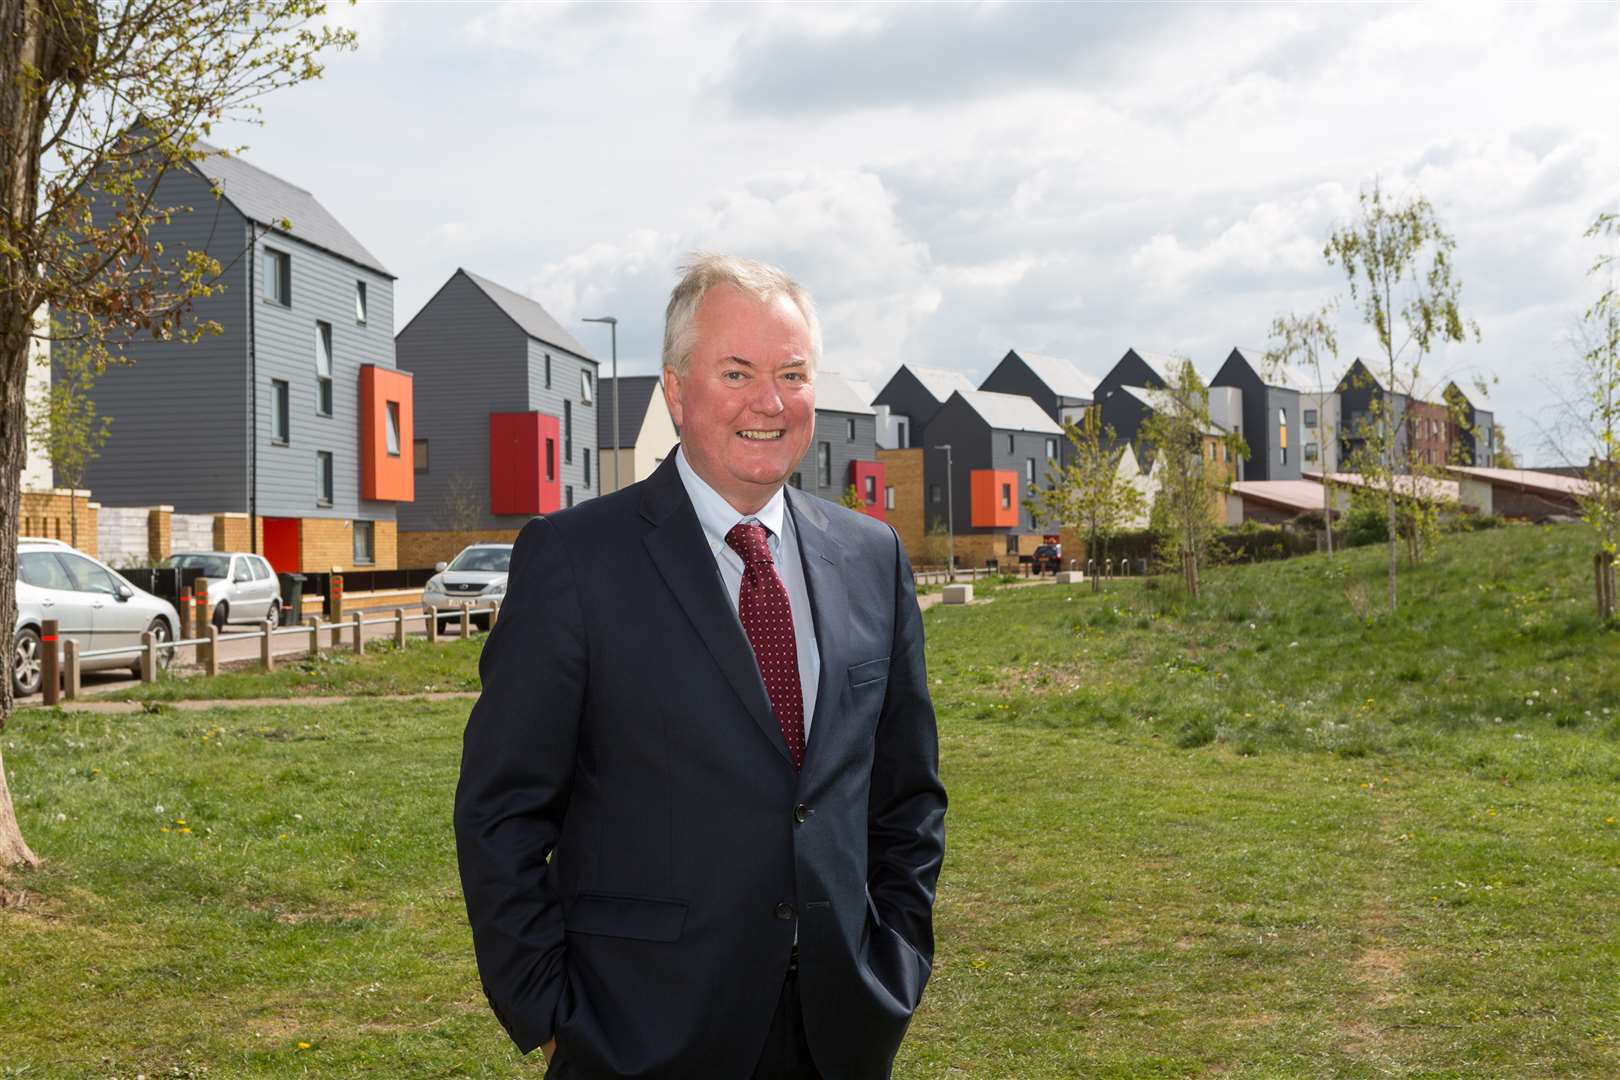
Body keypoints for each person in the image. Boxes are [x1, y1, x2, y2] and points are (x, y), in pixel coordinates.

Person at [454, 254, 947, 1080]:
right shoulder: (576, 561)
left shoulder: (872, 556)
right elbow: (501, 812)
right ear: (677, 391)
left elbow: (907, 796)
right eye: (738, 372)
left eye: (792, 374)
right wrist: (546, 1012)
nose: (771, 401)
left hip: (839, 1032)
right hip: (640, 1034)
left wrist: (895, 960)